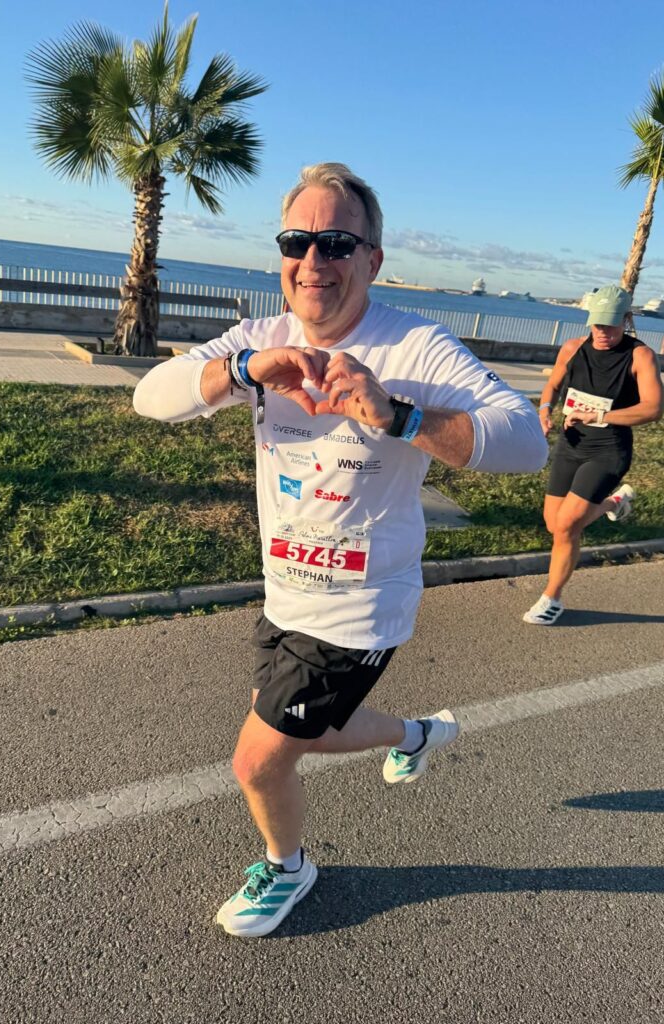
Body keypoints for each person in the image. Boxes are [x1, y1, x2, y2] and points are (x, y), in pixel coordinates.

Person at [134, 162, 548, 937]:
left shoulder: (414, 345)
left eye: (335, 243)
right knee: (312, 729)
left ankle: (289, 868)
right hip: (284, 589)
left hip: (360, 605)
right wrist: (242, 371)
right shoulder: (262, 339)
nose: (312, 261)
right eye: (297, 241)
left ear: (372, 259)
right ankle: (419, 734)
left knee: (259, 758)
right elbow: (150, 397)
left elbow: (527, 442)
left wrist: (398, 416)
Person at [524, 284, 664, 626]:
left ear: (626, 320)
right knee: (553, 523)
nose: (602, 332)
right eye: (597, 324)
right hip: (570, 445)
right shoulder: (573, 348)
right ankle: (614, 503)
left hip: (608, 450)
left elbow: (653, 408)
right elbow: (552, 385)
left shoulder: (640, 356)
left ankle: (551, 599)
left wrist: (599, 416)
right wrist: (544, 411)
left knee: (567, 525)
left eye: (611, 325)